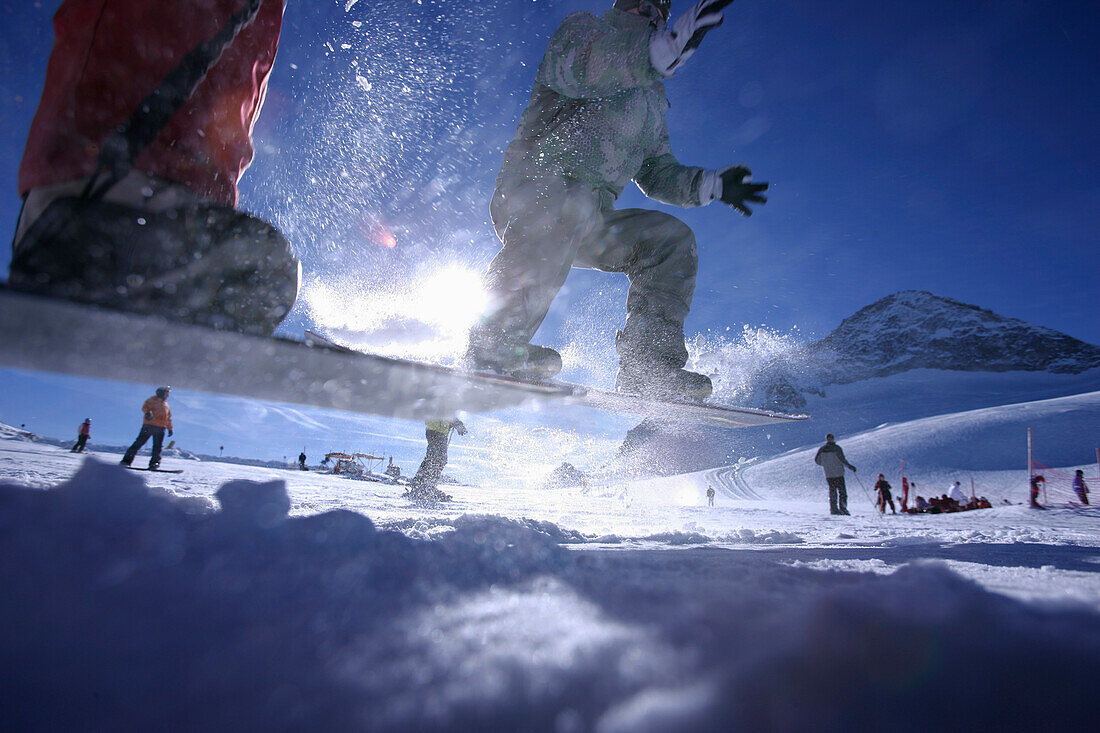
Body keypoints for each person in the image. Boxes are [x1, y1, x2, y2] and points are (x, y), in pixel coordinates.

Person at [465, 0, 767, 400]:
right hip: (533, 192)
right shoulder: (584, 32)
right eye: (643, 5)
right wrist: (654, 53)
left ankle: (648, 368)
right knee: (568, 205)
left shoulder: (651, 100)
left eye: (659, 10)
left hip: (587, 217)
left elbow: (657, 173)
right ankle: (495, 341)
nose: (652, 14)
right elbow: (585, 69)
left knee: (672, 242)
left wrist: (711, 184)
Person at [9, 0, 298, 336]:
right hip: (101, 174)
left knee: (244, 47)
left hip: (192, 199)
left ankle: (176, 211)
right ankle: (98, 202)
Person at [407, 418, 468, 503]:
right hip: (435, 430)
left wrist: (452, 424)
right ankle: (423, 486)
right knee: (435, 458)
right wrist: (456, 423)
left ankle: (425, 485)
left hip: (440, 431)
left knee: (438, 459)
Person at [120, 386, 173, 469]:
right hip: (149, 426)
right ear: (161, 393)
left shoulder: (166, 405)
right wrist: (148, 413)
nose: (168, 395)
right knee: (138, 443)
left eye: (168, 394)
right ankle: (125, 461)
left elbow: (168, 418)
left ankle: (154, 464)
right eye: (167, 393)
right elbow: (145, 407)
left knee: (157, 447)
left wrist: (170, 428)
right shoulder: (152, 400)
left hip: (160, 428)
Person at [814, 433, 857, 515]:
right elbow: (842, 460)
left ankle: (833, 509)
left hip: (828, 474)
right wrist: (850, 467)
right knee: (842, 492)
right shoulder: (837, 448)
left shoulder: (822, 449)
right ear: (833, 439)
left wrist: (825, 464)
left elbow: (817, 460)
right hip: (838, 473)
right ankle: (843, 509)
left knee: (832, 491)